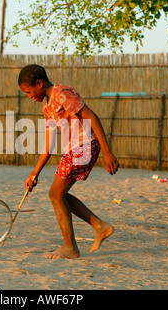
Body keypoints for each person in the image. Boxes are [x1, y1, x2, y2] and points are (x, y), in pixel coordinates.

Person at [18, 64, 120, 259]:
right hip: (73, 150)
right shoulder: (47, 106)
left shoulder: (62, 93)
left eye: (29, 92)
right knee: (59, 194)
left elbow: (91, 116)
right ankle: (100, 226)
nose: (29, 96)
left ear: (39, 83)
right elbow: (48, 145)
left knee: (56, 194)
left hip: (84, 146)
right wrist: (34, 173)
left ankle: (70, 247)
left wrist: (107, 151)